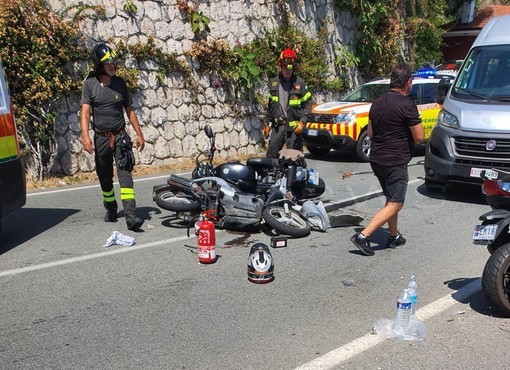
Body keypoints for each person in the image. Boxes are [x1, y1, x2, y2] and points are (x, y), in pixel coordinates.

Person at [350, 62, 425, 256]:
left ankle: (393, 236)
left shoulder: (377, 102)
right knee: (396, 203)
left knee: (391, 199)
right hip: (395, 160)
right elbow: (419, 137)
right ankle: (363, 236)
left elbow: (372, 134)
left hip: (377, 159)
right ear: (408, 82)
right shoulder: (407, 105)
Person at [80, 43, 145, 231]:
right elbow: (85, 113)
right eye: (108, 64)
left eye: (113, 63)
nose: (112, 66)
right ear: (99, 65)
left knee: (125, 175)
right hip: (101, 139)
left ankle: (131, 216)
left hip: (120, 137)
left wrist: (139, 134)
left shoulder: (120, 83)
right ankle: (111, 208)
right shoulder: (90, 84)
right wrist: (85, 137)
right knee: (105, 177)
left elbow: (129, 110)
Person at [266, 48, 312, 158]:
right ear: (281, 66)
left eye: (290, 69)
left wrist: (302, 122)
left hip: (294, 129)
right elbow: (270, 105)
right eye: (286, 68)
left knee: (294, 158)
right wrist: (267, 122)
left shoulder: (299, 83)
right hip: (278, 127)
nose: (288, 71)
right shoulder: (274, 83)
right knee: (271, 154)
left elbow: (308, 103)